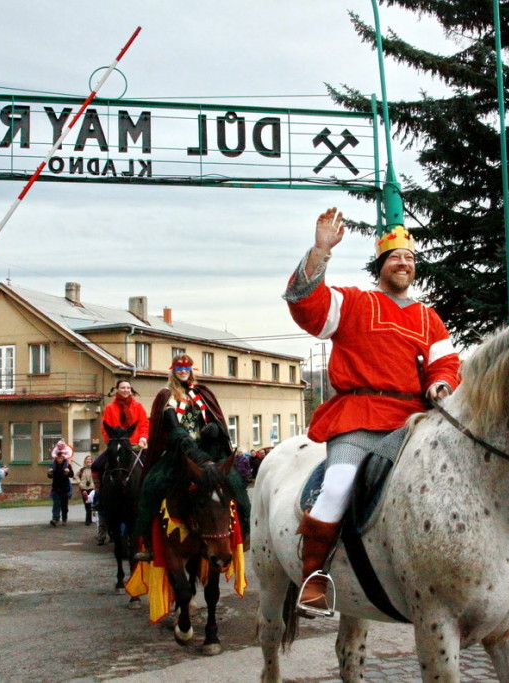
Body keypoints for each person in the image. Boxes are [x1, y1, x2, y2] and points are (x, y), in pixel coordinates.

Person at [283, 207, 461, 615]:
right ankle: (313, 576)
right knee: (338, 485)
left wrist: (442, 383)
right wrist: (320, 251)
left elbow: (446, 363)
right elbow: (307, 307)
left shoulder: (428, 318)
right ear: (381, 266)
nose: (405, 263)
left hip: (415, 421)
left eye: (411, 259)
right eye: (396, 257)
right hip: (359, 416)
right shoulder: (354, 302)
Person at [132, 354, 251, 561]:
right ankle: (147, 541)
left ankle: (246, 527)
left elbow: (215, 419)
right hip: (179, 452)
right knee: (152, 484)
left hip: (207, 451)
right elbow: (168, 425)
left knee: (234, 480)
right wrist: (179, 435)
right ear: (173, 370)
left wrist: (214, 428)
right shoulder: (166, 395)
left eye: (187, 368)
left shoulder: (202, 393)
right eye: (179, 368)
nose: (183, 371)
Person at [93, 379, 150, 544]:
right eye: (122, 388)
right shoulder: (110, 408)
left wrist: (143, 438)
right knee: (97, 465)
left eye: (128, 388)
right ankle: (100, 499)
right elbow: (105, 428)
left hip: (136, 446)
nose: (125, 390)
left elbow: (145, 424)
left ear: (131, 390)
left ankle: (150, 497)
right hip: (117, 446)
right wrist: (111, 442)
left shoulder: (138, 407)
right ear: (117, 390)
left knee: (152, 467)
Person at [48, 440, 75, 526]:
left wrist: (68, 471)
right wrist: (49, 472)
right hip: (56, 488)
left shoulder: (67, 465)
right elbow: (50, 476)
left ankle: (64, 518)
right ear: (56, 458)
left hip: (65, 488)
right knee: (56, 505)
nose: (59, 460)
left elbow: (72, 475)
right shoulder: (53, 465)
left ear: (63, 458)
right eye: (58, 458)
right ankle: (55, 519)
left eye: (61, 458)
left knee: (64, 506)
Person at [76, 455, 96, 525]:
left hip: (91, 488)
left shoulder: (94, 469)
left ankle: (89, 519)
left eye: (90, 459)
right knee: (86, 504)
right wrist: (80, 483)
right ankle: (88, 519)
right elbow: (75, 475)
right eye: (87, 459)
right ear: (85, 461)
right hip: (83, 488)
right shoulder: (82, 469)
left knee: (91, 504)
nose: (88, 461)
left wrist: (95, 484)